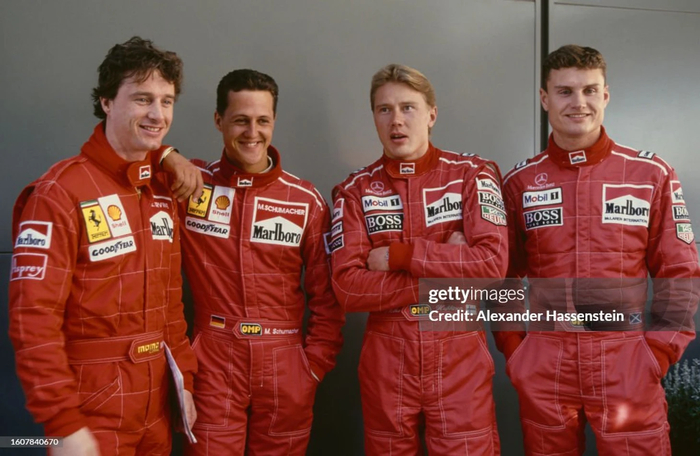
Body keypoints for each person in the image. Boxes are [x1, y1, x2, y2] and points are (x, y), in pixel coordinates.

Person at [498, 44, 699, 455]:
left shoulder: (650, 174)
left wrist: (658, 353)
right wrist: (516, 349)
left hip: (627, 362)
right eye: (565, 91)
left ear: (605, 95)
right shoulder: (520, 182)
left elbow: (680, 271)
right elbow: (504, 274)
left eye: (590, 90)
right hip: (545, 362)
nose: (579, 102)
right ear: (544, 98)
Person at [8, 37, 198, 456]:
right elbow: (33, 320)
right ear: (107, 102)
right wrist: (62, 423)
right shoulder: (59, 192)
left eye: (166, 101)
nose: (157, 114)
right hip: (90, 406)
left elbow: (170, 306)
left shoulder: (161, 191)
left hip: (157, 402)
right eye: (143, 99)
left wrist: (183, 379)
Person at [162, 69, 344, 456]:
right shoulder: (190, 184)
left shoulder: (305, 200)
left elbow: (328, 297)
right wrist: (167, 154)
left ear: (274, 121)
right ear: (218, 120)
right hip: (213, 358)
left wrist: (312, 367)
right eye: (241, 120)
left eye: (263, 121)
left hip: (286, 362)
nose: (252, 132)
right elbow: (130, 153)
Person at [330, 64, 508, 455]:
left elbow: (492, 266)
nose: (396, 120)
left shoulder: (473, 175)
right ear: (374, 117)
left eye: (408, 107)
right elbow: (348, 288)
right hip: (387, 359)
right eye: (385, 109)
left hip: (459, 355)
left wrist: (400, 256)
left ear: (431, 114)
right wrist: (450, 269)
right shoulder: (354, 191)